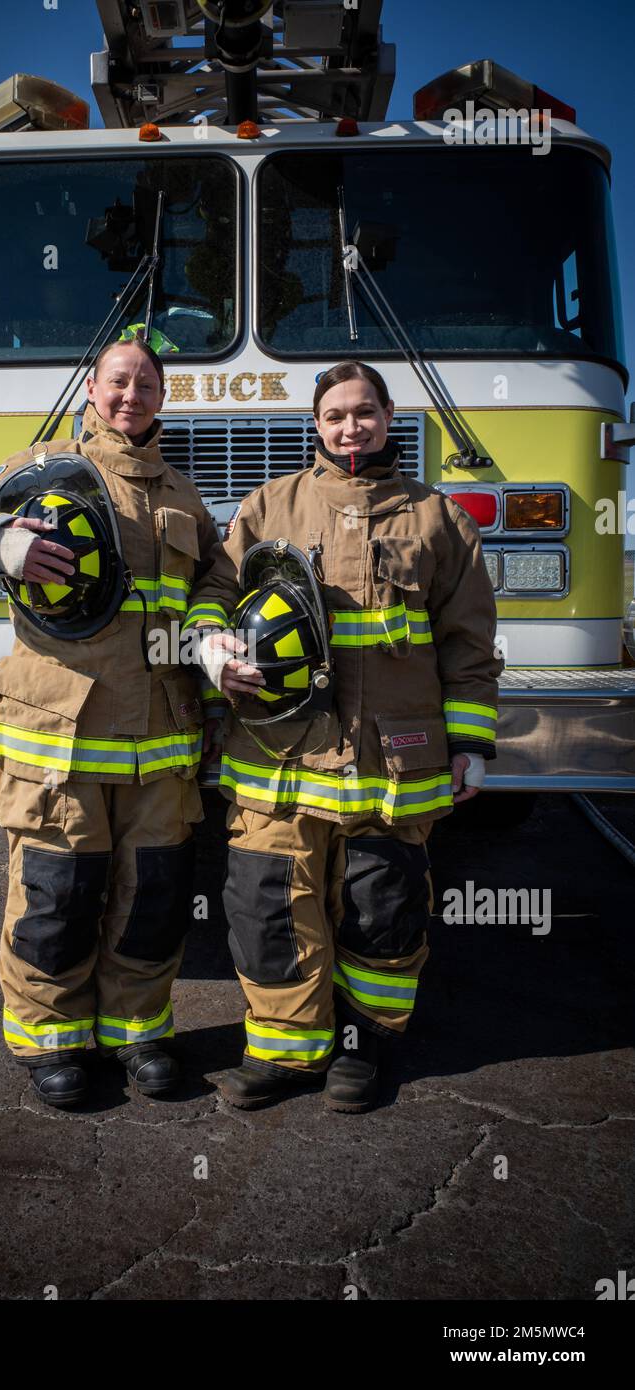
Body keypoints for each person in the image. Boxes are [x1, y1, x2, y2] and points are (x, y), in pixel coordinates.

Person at [187, 361, 504, 1112]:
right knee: (266, 906)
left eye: (363, 412)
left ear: (388, 416)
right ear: (317, 425)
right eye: (334, 415)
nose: (349, 427)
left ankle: (362, 1048)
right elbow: (216, 589)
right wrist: (208, 646)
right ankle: (285, 1054)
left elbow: (469, 643)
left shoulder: (438, 519)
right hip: (279, 761)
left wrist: (472, 744)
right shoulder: (271, 505)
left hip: (392, 765)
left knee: (381, 908)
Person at [0, 336, 223, 1107]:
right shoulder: (41, 468)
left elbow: (214, 592)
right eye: (118, 382)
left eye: (147, 384)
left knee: (153, 895)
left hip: (161, 740)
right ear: (93, 390)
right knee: (58, 892)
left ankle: (138, 1033)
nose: (132, 395)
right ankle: (51, 1041)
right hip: (58, 735)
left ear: (162, 397)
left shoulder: (186, 498)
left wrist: (219, 642)